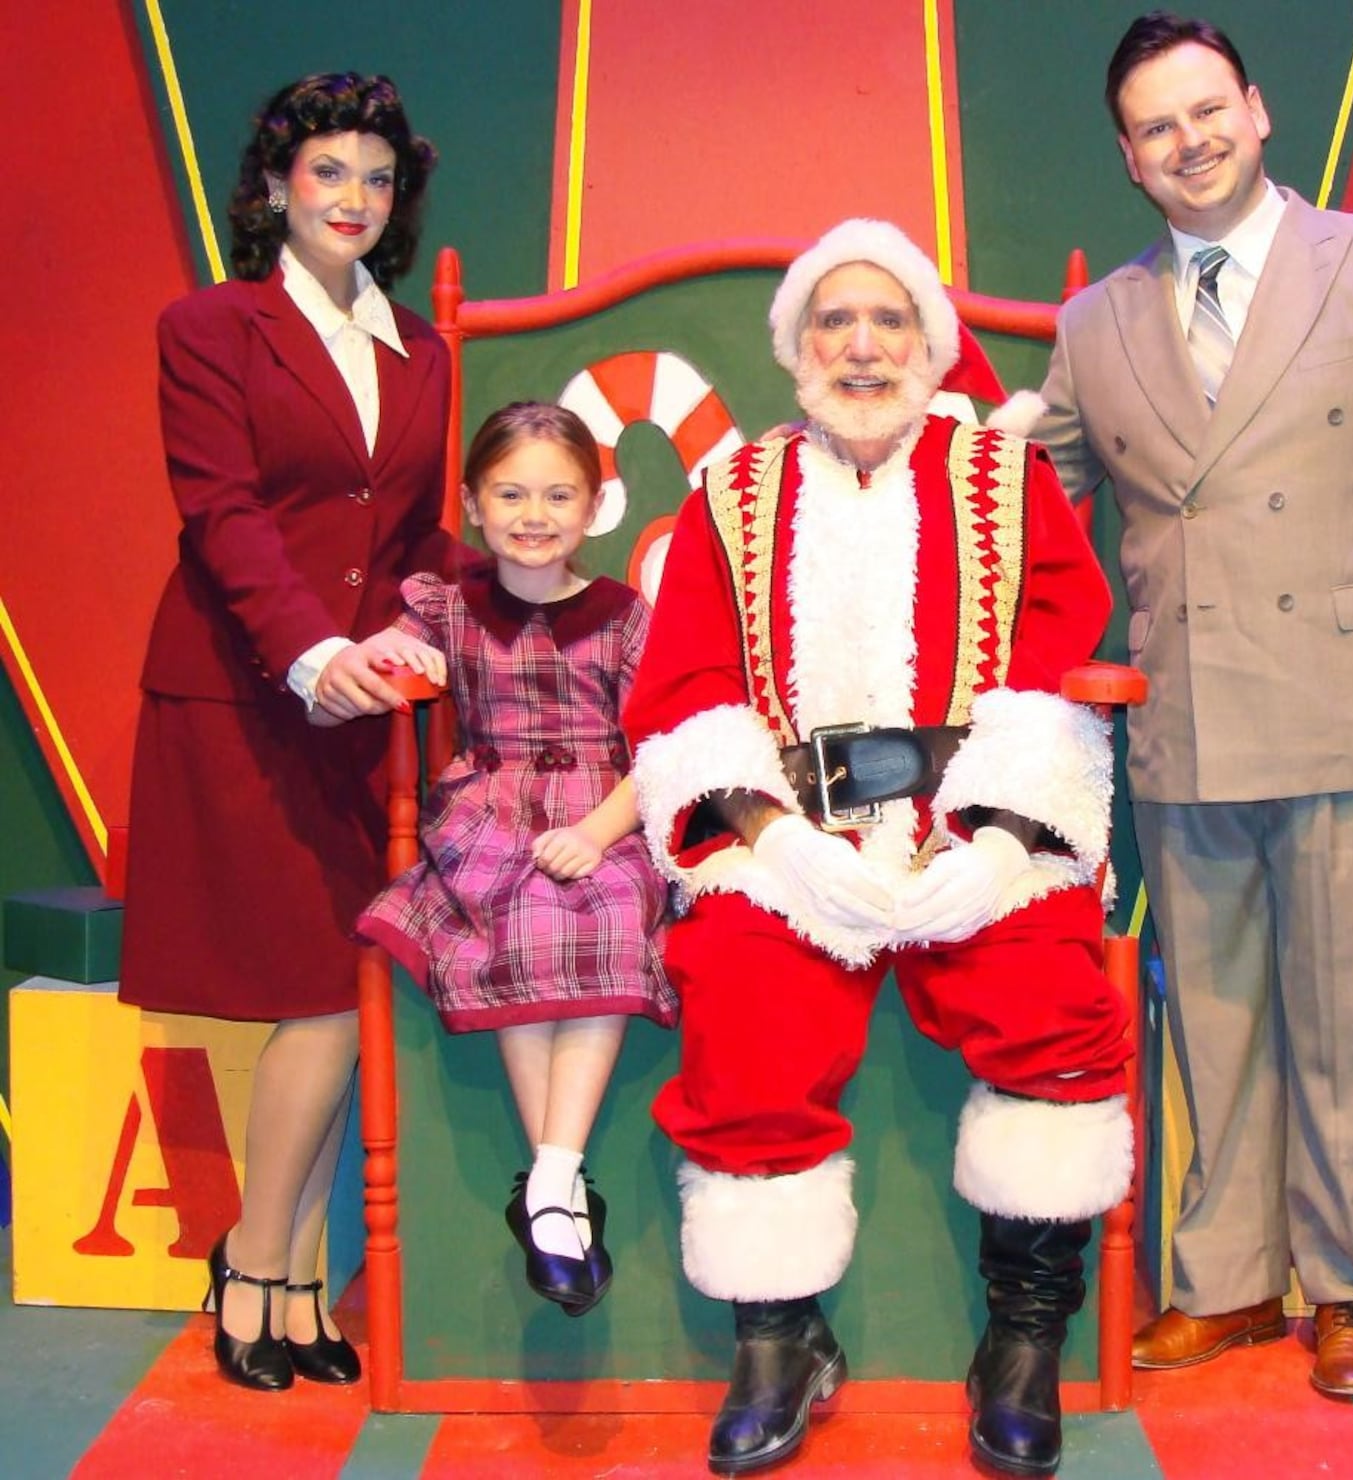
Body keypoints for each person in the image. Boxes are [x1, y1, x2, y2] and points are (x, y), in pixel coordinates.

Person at [1033, 11, 1353, 1400]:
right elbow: (1039, 510)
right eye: (1152, 128)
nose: (1185, 142)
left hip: (1349, 703)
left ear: (1256, 112)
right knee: (1219, 1015)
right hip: (1189, 717)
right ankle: (1227, 1283)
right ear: (1128, 161)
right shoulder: (1097, 323)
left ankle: (1349, 1288)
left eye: (1204, 111)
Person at [624, 218, 1134, 1478]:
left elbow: (1061, 651)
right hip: (791, 834)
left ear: (930, 342)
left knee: (1051, 997)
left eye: (887, 319)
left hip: (983, 819)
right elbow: (685, 687)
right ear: (797, 351)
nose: (861, 345)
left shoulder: (1006, 481)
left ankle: (1021, 1340)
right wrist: (769, 835)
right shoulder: (730, 494)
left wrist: (1006, 837)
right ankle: (777, 1338)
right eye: (833, 323)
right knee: (741, 995)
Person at [119, 73, 456, 1392]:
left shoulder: (419, 349)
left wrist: (436, 620)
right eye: (328, 173)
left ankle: (296, 1277)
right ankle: (259, 1261)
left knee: (349, 988)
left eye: (377, 178)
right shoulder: (208, 325)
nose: (354, 200)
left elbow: (415, 525)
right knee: (317, 992)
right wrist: (316, 653)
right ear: (274, 189)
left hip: (373, 711)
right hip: (250, 694)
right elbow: (224, 513)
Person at [351, 401, 677, 1317]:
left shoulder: (623, 617)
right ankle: (560, 1196)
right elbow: (390, 653)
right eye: (510, 494)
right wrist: (380, 651)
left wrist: (599, 834)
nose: (535, 515)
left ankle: (550, 1181)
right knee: (519, 918)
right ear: (473, 504)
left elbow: (658, 752)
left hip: (605, 809)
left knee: (609, 911)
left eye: (559, 495)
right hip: (489, 810)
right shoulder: (449, 610)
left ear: (595, 506)